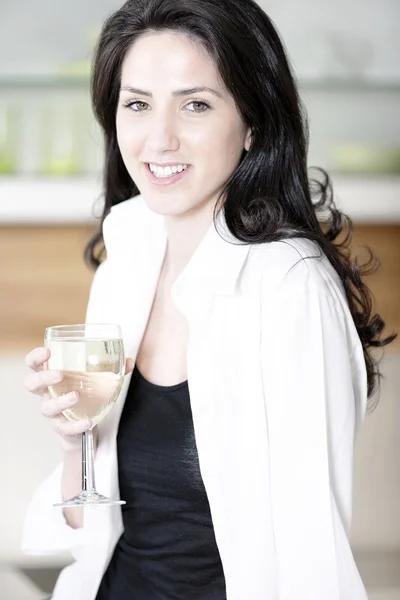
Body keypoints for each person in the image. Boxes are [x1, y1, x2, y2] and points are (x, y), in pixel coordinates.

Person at [22, 0, 396, 599]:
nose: (159, 137)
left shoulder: (290, 285)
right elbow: (83, 528)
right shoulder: (128, 255)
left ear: (253, 123)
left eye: (195, 104)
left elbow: (310, 552)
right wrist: (76, 441)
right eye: (137, 104)